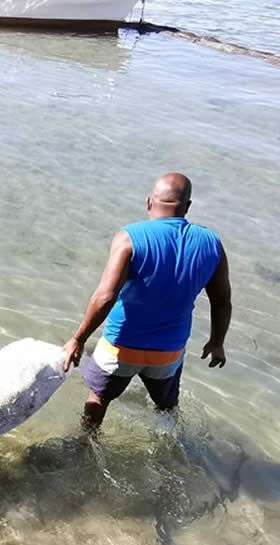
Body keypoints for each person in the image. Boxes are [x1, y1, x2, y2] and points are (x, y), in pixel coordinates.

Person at [61, 173, 231, 429]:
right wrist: (217, 342)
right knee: (166, 408)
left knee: (98, 399)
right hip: (168, 352)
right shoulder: (211, 244)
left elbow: (105, 297)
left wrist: (78, 339)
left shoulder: (129, 237)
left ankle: (85, 443)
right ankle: (170, 445)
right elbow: (222, 300)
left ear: (149, 202)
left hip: (120, 347)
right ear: (187, 206)